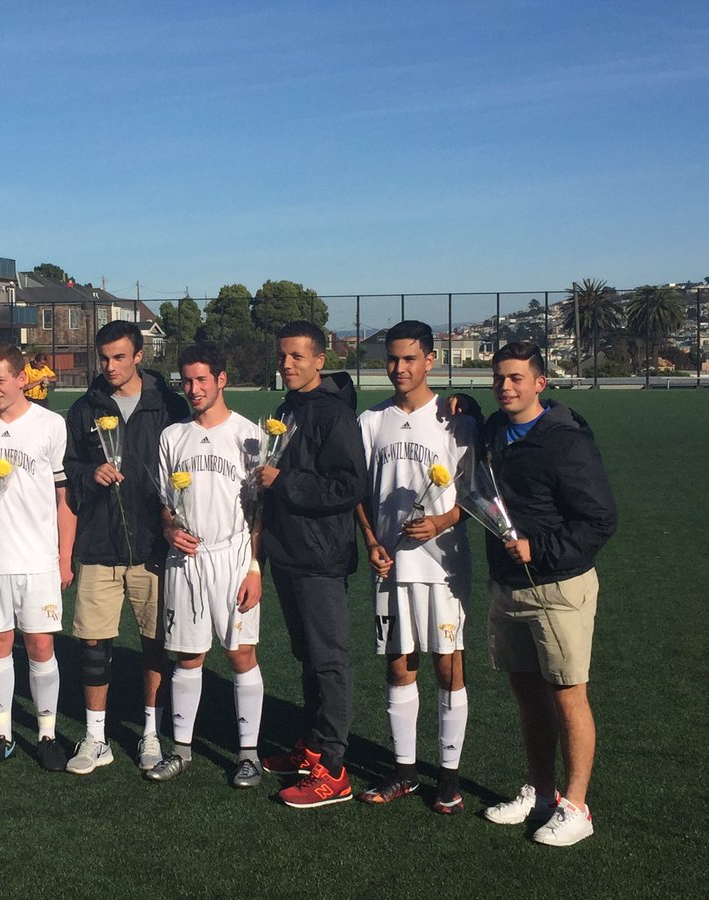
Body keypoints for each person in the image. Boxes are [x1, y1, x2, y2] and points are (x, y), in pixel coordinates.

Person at [477, 342, 616, 847]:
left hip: (559, 588)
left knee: (567, 696)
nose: (506, 387)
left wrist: (542, 548)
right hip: (509, 589)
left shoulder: (565, 440)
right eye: (499, 379)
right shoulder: (496, 430)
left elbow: (601, 519)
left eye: (516, 378)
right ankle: (541, 793)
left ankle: (577, 807)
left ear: (541, 382)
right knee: (528, 696)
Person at [354, 320, 478, 813]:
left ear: (430, 360)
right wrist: (370, 539)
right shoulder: (371, 421)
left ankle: (448, 777)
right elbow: (359, 493)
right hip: (389, 566)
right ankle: (403, 770)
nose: (399, 368)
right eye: (392, 359)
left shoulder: (456, 420)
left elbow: (474, 494)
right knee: (399, 663)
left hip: (443, 567)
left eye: (410, 359)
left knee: (449, 666)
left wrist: (443, 520)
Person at [62, 320, 188, 775]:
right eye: (104, 357)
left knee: (155, 643)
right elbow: (69, 467)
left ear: (139, 356)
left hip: (155, 547)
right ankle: (96, 738)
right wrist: (88, 475)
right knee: (94, 644)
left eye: (119, 357)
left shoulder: (170, 407)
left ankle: (150, 734)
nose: (110, 366)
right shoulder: (83, 409)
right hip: (98, 544)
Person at [144, 343, 265, 789]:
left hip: (233, 557)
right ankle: (181, 751)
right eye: (187, 381)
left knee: (240, 653)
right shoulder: (172, 437)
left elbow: (259, 511)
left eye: (201, 380)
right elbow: (164, 505)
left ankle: (248, 754)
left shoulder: (249, 435)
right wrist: (169, 529)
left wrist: (254, 568)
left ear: (221, 380)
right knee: (188, 655)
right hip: (186, 559)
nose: (193, 390)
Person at [256, 320, 367, 809]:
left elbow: (348, 487)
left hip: (321, 556)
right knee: (307, 656)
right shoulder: (288, 407)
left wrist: (283, 482)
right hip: (289, 552)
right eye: (283, 356)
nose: (287, 365)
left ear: (320, 360)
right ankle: (313, 744)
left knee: (329, 660)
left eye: (298, 357)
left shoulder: (333, 414)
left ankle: (335, 769)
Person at [0, 343, 76, 772]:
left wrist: (64, 558)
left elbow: (65, 499)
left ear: (23, 379)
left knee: (41, 645)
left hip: (38, 558)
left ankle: (46, 734)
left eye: (0, 380)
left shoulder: (50, 425)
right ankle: (1, 734)